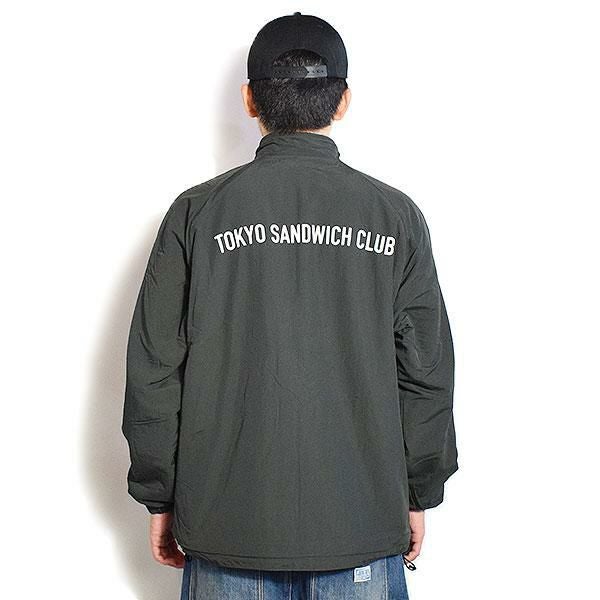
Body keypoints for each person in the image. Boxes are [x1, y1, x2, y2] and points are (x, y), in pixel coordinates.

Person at [121, 11, 459, 600]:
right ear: (343, 101)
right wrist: (417, 492)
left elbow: (154, 369)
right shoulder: (395, 217)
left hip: (226, 526)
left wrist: (161, 495)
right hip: (362, 524)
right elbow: (427, 374)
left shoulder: (197, 214)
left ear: (250, 100)